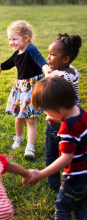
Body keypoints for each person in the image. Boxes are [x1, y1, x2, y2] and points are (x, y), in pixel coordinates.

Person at [23, 76, 87, 219]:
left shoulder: (66, 129)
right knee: (82, 209)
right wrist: (59, 119)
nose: (45, 114)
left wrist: (41, 174)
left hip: (75, 179)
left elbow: (66, 157)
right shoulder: (80, 111)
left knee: (62, 208)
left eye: (46, 110)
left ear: (59, 109)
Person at [0, 20, 51, 159]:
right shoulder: (17, 53)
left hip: (32, 88)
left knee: (31, 119)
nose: (11, 42)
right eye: (9, 39)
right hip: (20, 88)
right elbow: (9, 62)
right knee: (18, 117)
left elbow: (40, 60)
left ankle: (30, 148)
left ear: (26, 38)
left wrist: (46, 69)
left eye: (14, 39)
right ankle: (18, 137)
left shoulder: (30, 49)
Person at [44, 33, 82, 192]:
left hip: (56, 121)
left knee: (52, 155)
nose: (48, 57)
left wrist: (46, 70)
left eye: (52, 55)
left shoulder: (57, 75)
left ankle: (54, 185)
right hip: (74, 119)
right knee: (70, 153)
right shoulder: (72, 71)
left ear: (65, 59)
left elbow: (47, 81)